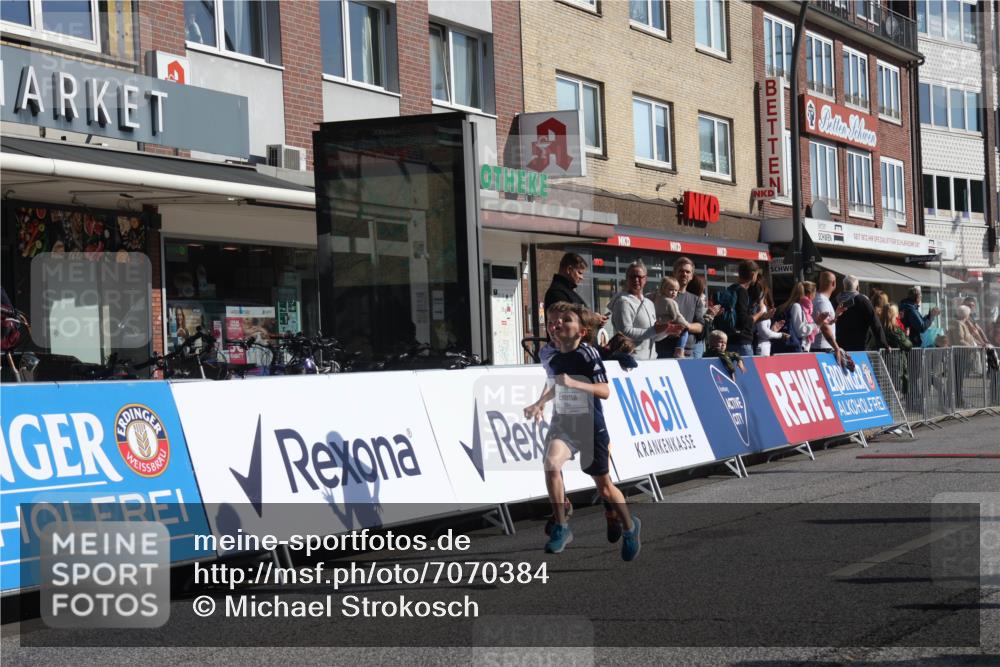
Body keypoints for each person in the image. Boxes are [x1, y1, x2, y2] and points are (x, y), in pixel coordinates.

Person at [524, 303, 641, 561]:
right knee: (551, 464)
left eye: (567, 320)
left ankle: (630, 527)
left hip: (590, 427)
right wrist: (539, 403)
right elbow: (557, 385)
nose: (559, 324)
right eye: (556, 320)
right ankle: (562, 526)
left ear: (581, 332)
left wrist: (575, 383)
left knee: (605, 488)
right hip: (564, 423)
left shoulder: (588, 354)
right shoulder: (553, 357)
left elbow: (605, 391)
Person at [610, 261, 670, 360]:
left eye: (639, 277)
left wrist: (666, 331)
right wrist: (654, 330)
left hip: (651, 360)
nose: (636, 280)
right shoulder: (622, 302)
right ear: (626, 279)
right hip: (631, 360)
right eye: (632, 277)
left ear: (645, 279)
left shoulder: (649, 303)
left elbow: (652, 337)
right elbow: (625, 332)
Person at [715, 260, 759, 358]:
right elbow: (743, 320)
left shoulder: (731, 289)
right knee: (747, 372)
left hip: (729, 339)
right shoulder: (742, 291)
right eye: (757, 275)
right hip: (742, 342)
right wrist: (760, 314)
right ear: (753, 275)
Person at [835, 275, 889, 352]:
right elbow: (875, 322)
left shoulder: (835, 300)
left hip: (840, 345)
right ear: (857, 287)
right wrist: (884, 343)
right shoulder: (863, 301)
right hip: (860, 346)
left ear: (844, 287)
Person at [653, 277, 690, 358]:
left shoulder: (656, 298)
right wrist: (687, 325)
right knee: (685, 331)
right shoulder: (671, 302)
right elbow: (677, 316)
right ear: (663, 289)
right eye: (671, 289)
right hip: (668, 325)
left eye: (676, 290)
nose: (674, 292)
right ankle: (679, 350)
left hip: (658, 326)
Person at [777, 281, 819, 353]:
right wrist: (816, 324)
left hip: (803, 348)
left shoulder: (806, 309)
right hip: (797, 348)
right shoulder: (797, 306)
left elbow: (811, 330)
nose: (815, 295)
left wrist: (819, 323)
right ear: (810, 294)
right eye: (815, 292)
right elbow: (800, 331)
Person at [755, 288, 789, 356]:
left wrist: (772, 330)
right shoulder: (761, 308)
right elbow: (764, 332)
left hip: (764, 347)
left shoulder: (761, 307)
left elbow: (763, 332)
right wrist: (781, 335)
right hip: (761, 348)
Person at [811, 271, 837, 352]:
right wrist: (837, 348)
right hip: (823, 348)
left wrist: (837, 313)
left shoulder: (818, 298)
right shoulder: (822, 301)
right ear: (833, 283)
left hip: (820, 346)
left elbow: (823, 322)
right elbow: (824, 327)